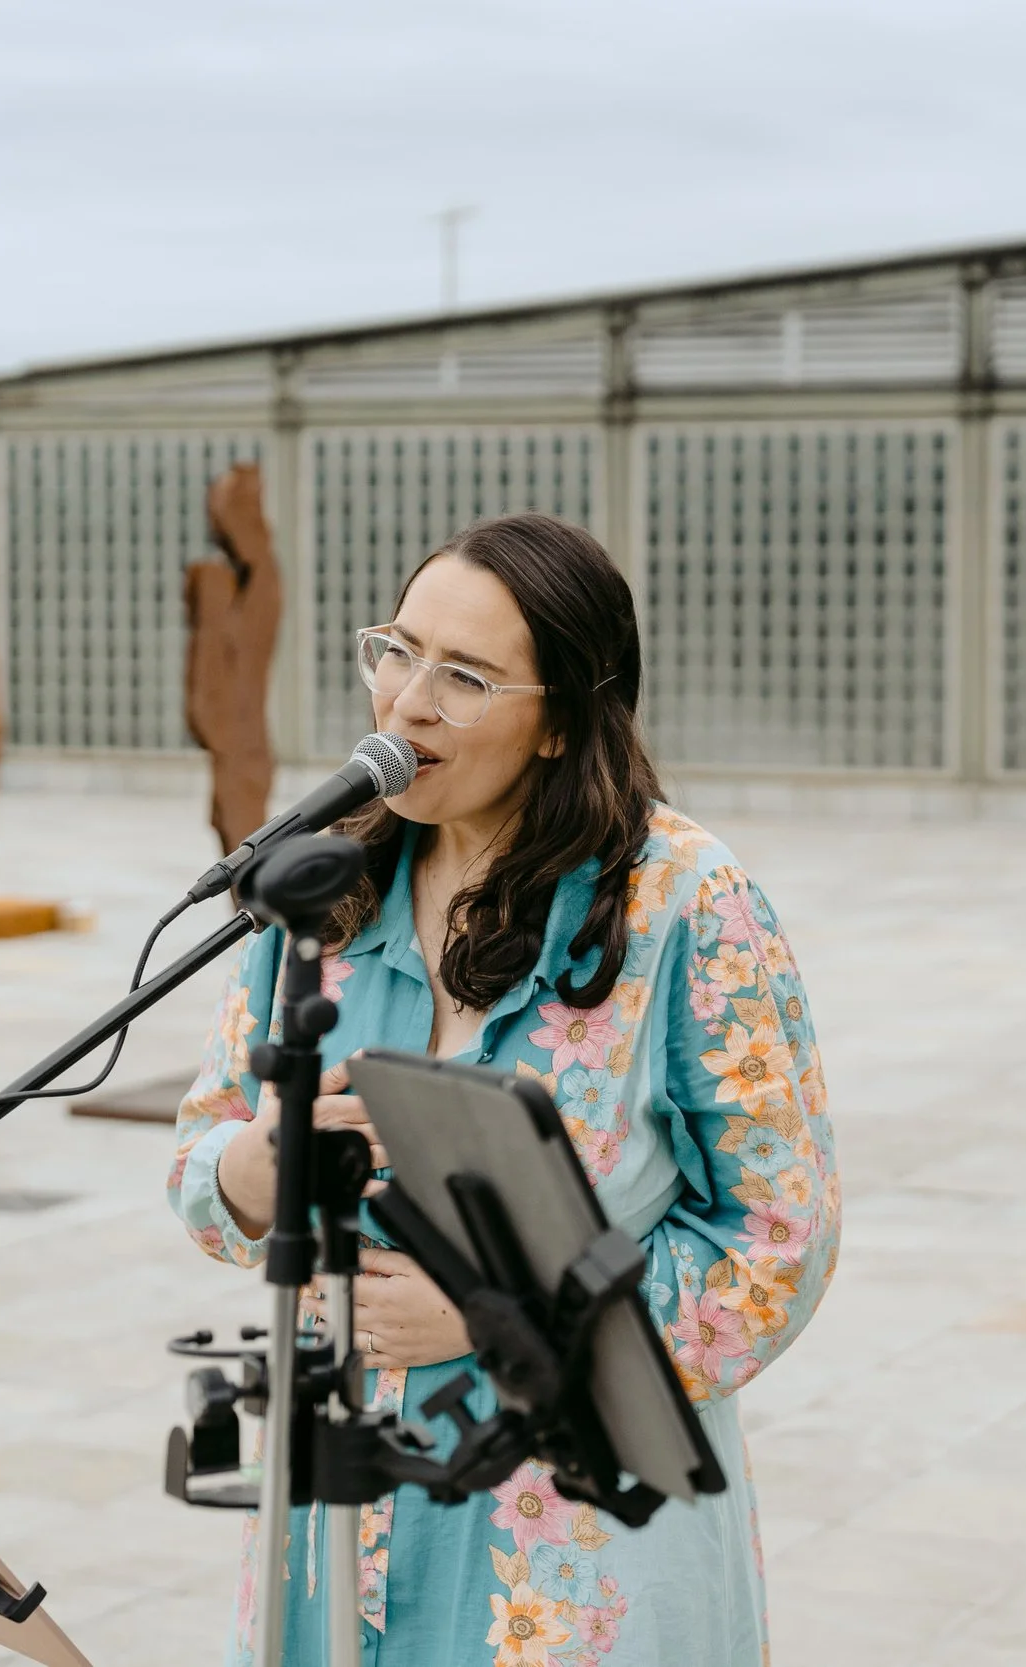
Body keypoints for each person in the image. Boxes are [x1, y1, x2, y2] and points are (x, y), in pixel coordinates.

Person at [168, 511, 840, 1667]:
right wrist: (249, 1168)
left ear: (560, 721)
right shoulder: (319, 887)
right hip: (332, 1526)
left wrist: (503, 1323)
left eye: (465, 678)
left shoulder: (684, 900)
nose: (407, 703)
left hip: (578, 1548)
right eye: (396, 651)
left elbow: (777, 1242)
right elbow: (206, 1160)